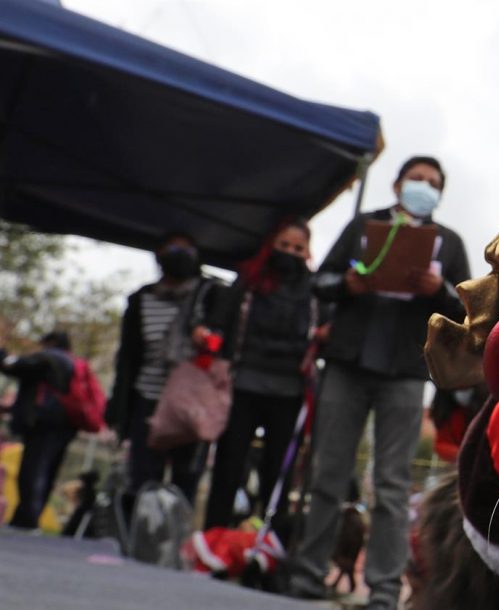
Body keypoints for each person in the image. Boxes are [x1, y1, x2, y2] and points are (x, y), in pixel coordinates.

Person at [285, 156, 471, 610]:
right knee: (328, 472)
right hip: (347, 363)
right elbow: (320, 282)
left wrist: (438, 288)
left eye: (432, 183)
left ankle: (383, 592)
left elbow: (467, 307)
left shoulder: (448, 243)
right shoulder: (363, 226)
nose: (422, 187)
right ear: (396, 183)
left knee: (391, 484)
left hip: (407, 374)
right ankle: (307, 575)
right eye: (416, 179)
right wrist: (349, 282)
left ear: (440, 195)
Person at [203, 219, 316, 533]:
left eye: (297, 248)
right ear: (270, 245)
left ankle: (269, 544)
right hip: (242, 385)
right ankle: (214, 536)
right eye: (284, 246)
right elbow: (219, 323)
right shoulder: (248, 282)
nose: (289, 253)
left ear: (307, 252)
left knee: (278, 472)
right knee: (229, 464)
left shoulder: (314, 290)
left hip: (290, 391)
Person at [106, 233, 225, 505]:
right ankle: (137, 535)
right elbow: (128, 356)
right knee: (142, 477)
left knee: (186, 479)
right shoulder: (141, 299)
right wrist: (119, 404)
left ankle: (173, 539)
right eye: (172, 248)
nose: (179, 254)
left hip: (192, 401)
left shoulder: (212, 295)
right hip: (148, 397)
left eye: (186, 248)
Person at [0, 331, 77, 528]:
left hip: (44, 424)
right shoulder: (71, 362)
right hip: (66, 426)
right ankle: (31, 516)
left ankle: (27, 519)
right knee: (47, 471)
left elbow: (16, 367)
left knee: (33, 470)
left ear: (51, 342)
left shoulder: (48, 359)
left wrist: (3, 353)